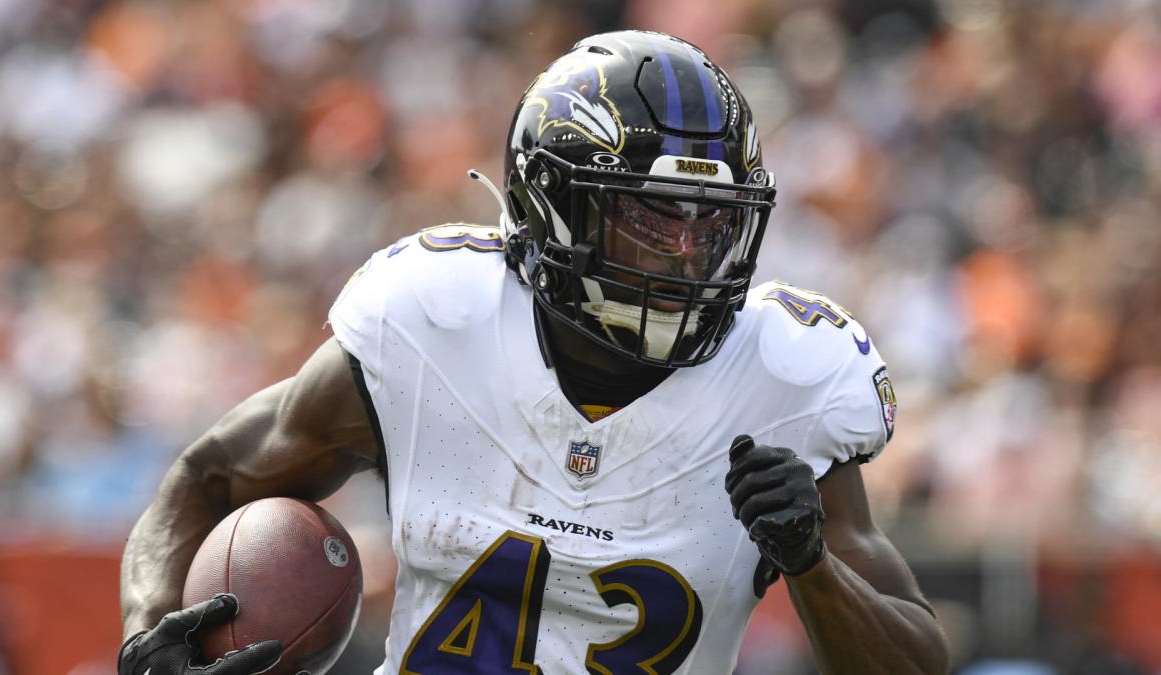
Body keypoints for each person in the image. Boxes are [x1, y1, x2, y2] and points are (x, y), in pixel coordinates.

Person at [118, 30, 948, 675]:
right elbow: (210, 476)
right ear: (553, 209)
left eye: (711, 220)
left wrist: (810, 564)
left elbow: (916, 660)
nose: (688, 253)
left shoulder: (783, 379)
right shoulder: (434, 324)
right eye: (653, 218)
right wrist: (150, 628)